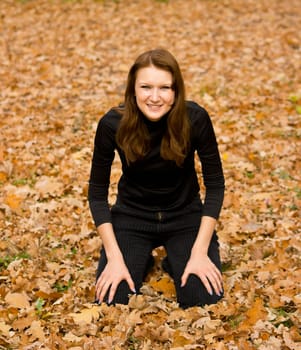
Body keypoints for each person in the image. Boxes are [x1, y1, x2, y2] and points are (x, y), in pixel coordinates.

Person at [88, 48, 225, 309]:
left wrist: (198, 252)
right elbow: (96, 193)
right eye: (146, 87)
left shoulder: (195, 119)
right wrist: (115, 257)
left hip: (185, 216)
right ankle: (141, 258)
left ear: (176, 91)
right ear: (133, 90)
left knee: (203, 299)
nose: (154, 97)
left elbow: (216, 186)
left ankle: (177, 258)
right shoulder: (112, 124)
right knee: (111, 300)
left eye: (164, 88)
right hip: (132, 216)